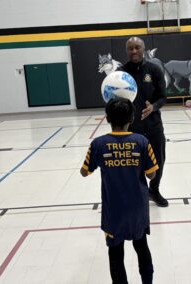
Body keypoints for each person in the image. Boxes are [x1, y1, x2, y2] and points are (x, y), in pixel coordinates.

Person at [80, 98, 157, 284]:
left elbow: (84, 172)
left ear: (107, 118)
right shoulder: (142, 141)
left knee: (115, 255)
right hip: (138, 209)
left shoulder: (98, 144)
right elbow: (152, 176)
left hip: (113, 212)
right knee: (142, 247)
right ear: (132, 117)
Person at [120, 36, 168, 207]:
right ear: (127, 51)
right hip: (131, 128)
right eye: (131, 48)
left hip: (154, 125)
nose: (134, 51)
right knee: (134, 164)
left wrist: (153, 107)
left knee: (158, 161)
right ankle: (139, 192)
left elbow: (163, 97)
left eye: (137, 47)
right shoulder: (121, 73)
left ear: (143, 49)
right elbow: (113, 98)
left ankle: (154, 191)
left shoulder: (154, 70)